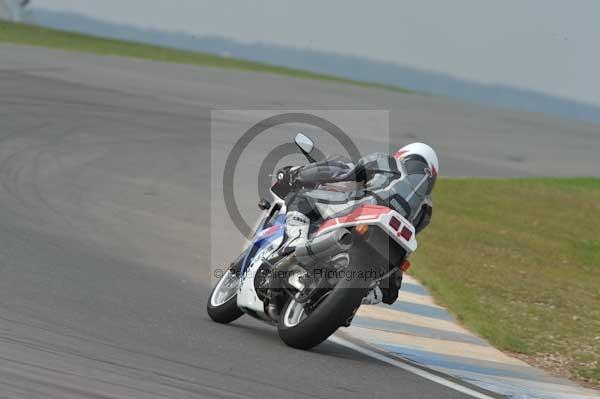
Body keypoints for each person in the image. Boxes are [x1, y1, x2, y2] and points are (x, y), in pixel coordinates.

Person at [282, 142, 439, 305]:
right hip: (389, 248)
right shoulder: (426, 211)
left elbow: (343, 172)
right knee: (389, 290)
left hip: (365, 211)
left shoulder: (390, 163)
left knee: (301, 196)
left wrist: (299, 173)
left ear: (404, 156)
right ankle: (361, 297)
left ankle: (296, 240)